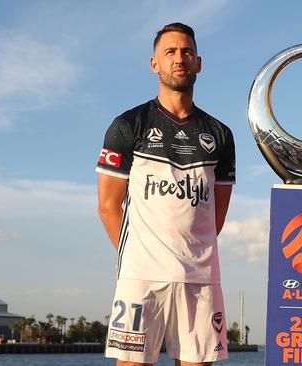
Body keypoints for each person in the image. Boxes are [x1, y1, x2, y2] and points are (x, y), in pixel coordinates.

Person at [96, 22, 235, 366]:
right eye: (170, 52)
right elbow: (108, 206)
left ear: (199, 63)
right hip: (142, 276)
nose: (179, 58)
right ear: (154, 63)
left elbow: (214, 215)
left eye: (187, 51)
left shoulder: (220, 134)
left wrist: (188, 254)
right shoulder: (128, 125)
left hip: (199, 278)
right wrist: (140, 257)